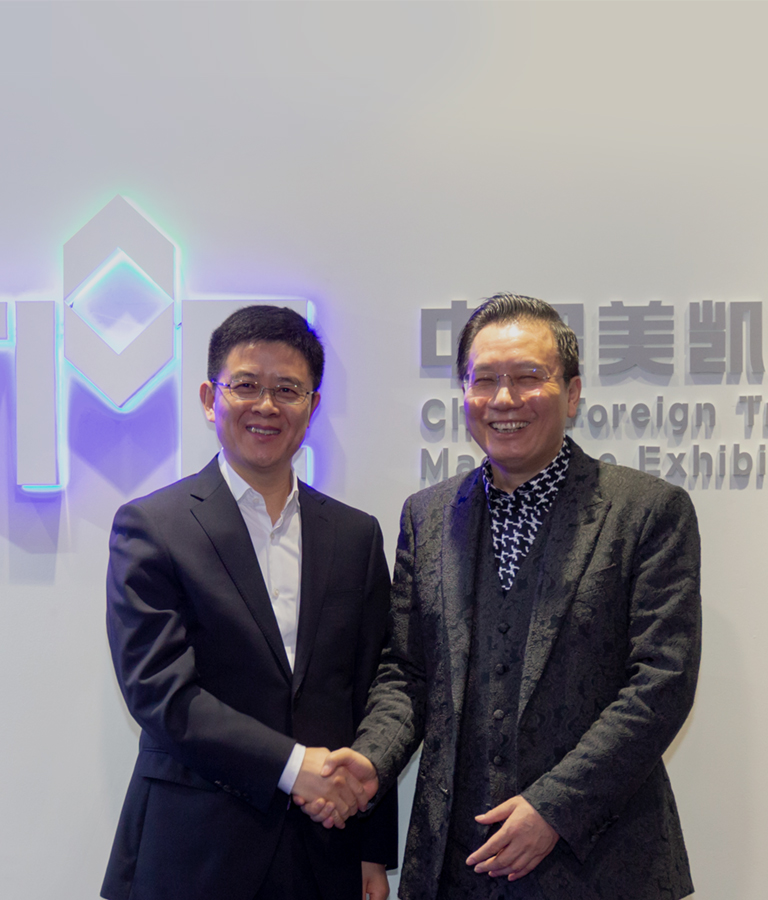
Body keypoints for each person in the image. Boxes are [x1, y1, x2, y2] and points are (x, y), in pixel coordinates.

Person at [310, 294, 701, 899]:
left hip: (602, 864)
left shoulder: (648, 511)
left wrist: (555, 808)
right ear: (465, 394)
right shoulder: (426, 516)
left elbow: (661, 681)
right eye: (485, 379)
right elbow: (407, 673)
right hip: (455, 864)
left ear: (572, 393)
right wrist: (371, 759)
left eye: (528, 377)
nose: (505, 399)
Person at [101, 304, 396, 900]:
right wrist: (292, 767)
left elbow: (373, 689)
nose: (266, 406)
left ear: (312, 407)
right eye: (246, 385)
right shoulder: (152, 527)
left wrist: (372, 848)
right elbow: (160, 693)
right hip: (192, 852)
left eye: (287, 389)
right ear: (211, 398)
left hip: (325, 850)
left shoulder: (356, 535)